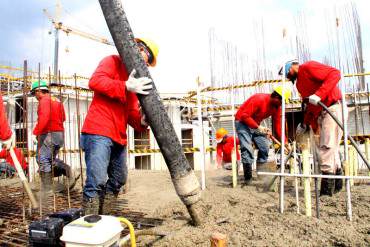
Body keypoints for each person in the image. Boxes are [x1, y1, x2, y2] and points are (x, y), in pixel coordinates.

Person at [81, 38, 159, 215]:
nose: (143, 63)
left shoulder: (134, 81)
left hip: (118, 135)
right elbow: (95, 81)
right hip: (98, 130)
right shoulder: (112, 61)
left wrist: (142, 121)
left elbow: (131, 112)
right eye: (143, 57)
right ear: (136, 48)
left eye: (146, 62)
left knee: (119, 178)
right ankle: (90, 222)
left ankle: (104, 215)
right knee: (97, 180)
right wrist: (124, 85)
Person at [282, 60, 345, 196]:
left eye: (287, 72)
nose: (287, 75)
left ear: (293, 66)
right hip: (322, 112)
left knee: (327, 146)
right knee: (331, 148)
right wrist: (305, 123)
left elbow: (335, 74)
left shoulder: (308, 67)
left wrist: (319, 94)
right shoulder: (299, 84)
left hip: (332, 107)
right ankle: (338, 184)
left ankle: (327, 189)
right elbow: (310, 106)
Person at [235, 86, 291, 186]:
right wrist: (258, 127)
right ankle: (248, 179)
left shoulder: (276, 107)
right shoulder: (259, 99)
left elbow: (278, 126)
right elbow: (244, 115)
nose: (281, 105)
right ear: (276, 97)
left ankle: (261, 174)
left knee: (264, 146)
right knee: (247, 149)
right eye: (281, 102)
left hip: (256, 125)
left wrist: (285, 142)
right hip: (242, 122)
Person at [31, 80, 76, 192]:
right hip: (59, 134)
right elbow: (63, 118)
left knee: (43, 159)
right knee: (49, 159)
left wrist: (36, 132)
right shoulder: (57, 100)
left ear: (38, 91)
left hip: (49, 134)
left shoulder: (44, 100)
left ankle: (48, 187)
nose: (34, 96)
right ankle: (67, 171)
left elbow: (44, 118)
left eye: (34, 93)